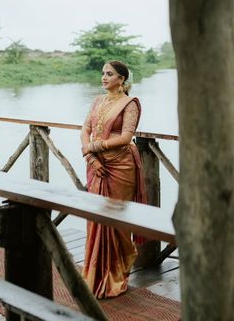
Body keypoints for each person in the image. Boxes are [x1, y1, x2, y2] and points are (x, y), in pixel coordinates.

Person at [80, 60, 147, 299]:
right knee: (96, 219)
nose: (104, 77)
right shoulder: (98, 101)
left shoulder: (130, 104)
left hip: (120, 166)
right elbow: (85, 129)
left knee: (116, 221)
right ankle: (94, 276)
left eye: (109, 74)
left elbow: (127, 136)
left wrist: (96, 146)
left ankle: (115, 277)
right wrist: (90, 155)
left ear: (122, 79)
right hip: (96, 165)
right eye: (102, 73)